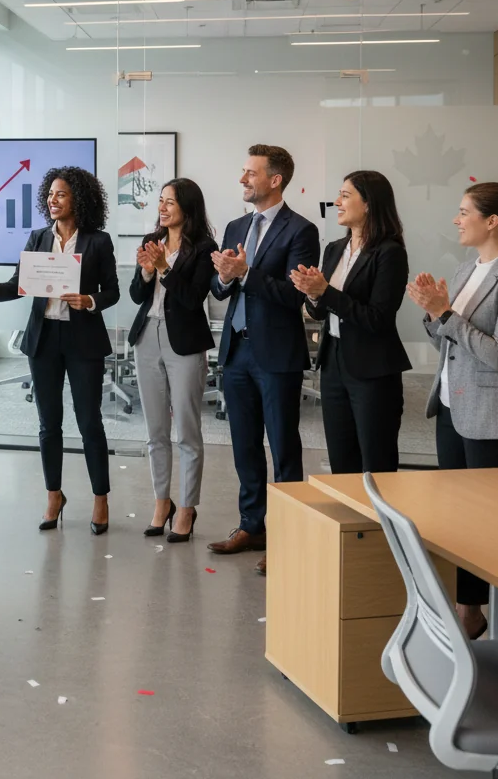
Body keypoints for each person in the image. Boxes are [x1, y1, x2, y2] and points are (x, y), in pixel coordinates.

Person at [208, 144, 319, 577]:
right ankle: (252, 526)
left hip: (275, 353)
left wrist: (246, 275)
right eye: (243, 172)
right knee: (244, 445)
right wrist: (223, 277)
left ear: (275, 180)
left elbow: (295, 297)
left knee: (284, 447)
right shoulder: (236, 225)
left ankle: (287, 533)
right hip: (236, 352)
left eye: (250, 173)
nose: (242, 179)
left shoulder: (301, 230)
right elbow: (220, 291)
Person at [0, 166, 119, 534]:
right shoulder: (38, 237)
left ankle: (100, 499)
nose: (53, 200)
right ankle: (54, 495)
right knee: (49, 424)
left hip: (83, 341)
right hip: (44, 340)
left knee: (89, 421)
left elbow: (112, 290)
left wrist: (89, 300)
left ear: (79, 198)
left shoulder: (98, 241)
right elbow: (18, 284)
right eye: (50, 195)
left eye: (61, 194)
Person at [407, 181, 498, 641]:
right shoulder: (468, 268)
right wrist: (433, 314)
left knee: (488, 523)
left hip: (489, 416)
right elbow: (447, 339)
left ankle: (489, 615)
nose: (455, 219)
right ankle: (468, 610)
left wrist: (446, 314)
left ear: (492, 221)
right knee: (458, 519)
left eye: (464, 211)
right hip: (450, 405)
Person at [291, 170, 410, 474]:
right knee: (342, 461)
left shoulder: (390, 253)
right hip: (333, 364)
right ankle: (350, 523)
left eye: (345, 195)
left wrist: (325, 293)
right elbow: (319, 312)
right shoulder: (333, 249)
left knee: (375, 462)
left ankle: (380, 523)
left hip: (372, 369)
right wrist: (313, 295)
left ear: (368, 203)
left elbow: (378, 318)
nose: (337, 202)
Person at [128, 178, 217, 542]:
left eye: (170, 203)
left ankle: (186, 508)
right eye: (160, 201)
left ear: (188, 208)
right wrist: (148, 271)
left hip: (184, 342)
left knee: (187, 431)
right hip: (147, 336)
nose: (162, 208)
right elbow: (136, 295)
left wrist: (164, 268)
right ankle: (161, 502)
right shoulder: (152, 242)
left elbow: (193, 298)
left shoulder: (205, 247)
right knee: (155, 433)